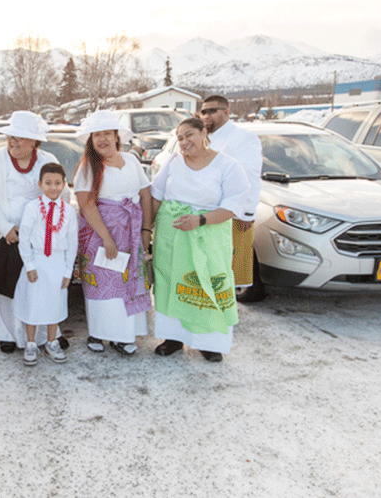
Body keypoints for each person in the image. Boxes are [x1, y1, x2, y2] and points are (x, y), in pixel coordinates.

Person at [150, 117, 250, 362]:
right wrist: (146, 230)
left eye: (189, 135)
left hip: (209, 234)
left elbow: (234, 205)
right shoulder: (173, 162)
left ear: (204, 132)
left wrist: (201, 220)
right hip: (171, 235)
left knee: (208, 284)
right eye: (179, 138)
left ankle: (208, 342)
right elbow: (155, 195)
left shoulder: (227, 165)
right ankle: (172, 337)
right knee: (172, 283)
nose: (184, 142)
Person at [0, 110, 62, 354]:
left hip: (38, 237)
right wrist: (5, 226)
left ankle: (44, 334)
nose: (13, 141)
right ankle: (7, 334)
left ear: (34, 142)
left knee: (38, 285)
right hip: (2, 235)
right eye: (11, 136)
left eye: (20, 137)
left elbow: (59, 194)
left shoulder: (48, 160)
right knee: (5, 285)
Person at [72, 110, 153, 356]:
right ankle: (99, 333)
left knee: (128, 283)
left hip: (130, 232)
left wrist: (146, 230)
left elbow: (145, 195)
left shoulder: (131, 160)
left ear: (116, 136)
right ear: (91, 140)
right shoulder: (88, 167)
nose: (102, 139)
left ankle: (124, 335)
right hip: (99, 235)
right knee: (103, 286)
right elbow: (86, 204)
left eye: (107, 133)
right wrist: (107, 238)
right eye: (97, 135)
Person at [13, 163, 78, 366]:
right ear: (40, 184)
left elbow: (72, 242)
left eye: (57, 183)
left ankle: (51, 342)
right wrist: (30, 265)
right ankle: (30, 343)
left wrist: (68, 270)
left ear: (64, 184)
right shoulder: (32, 208)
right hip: (37, 261)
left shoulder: (68, 211)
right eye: (48, 183)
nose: (53, 187)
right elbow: (24, 238)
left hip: (57, 263)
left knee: (55, 305)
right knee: (33, 303)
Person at [199, 95, 263, 289]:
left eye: (212, 111)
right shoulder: (204, 137)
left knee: (228, 275)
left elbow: (250, 178)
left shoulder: (242, 137)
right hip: (207, 215)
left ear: (226, 112)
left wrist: (246, 214)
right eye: (203, 111)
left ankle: (227, 316)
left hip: (232, 216)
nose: (207, 115)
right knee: (210, 271)